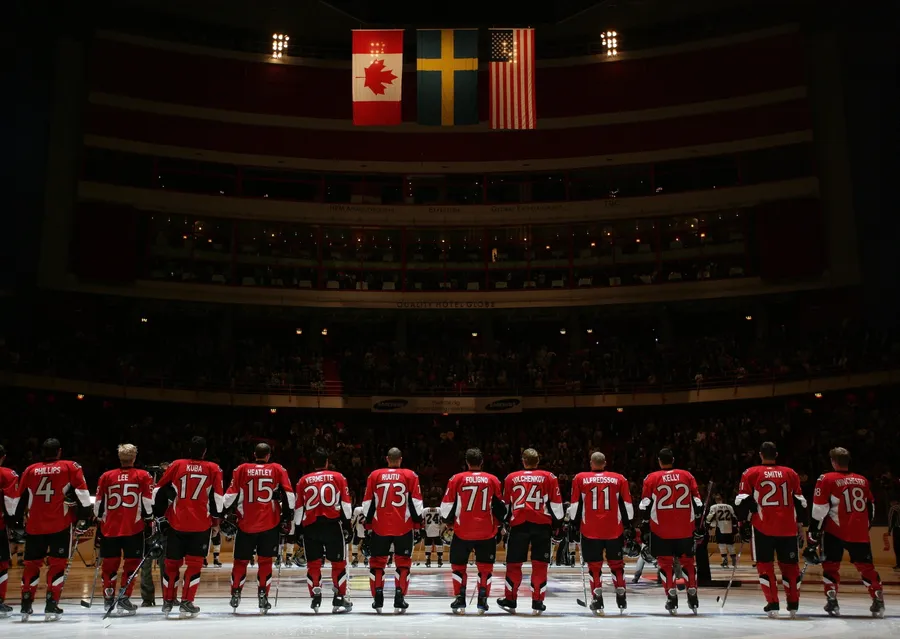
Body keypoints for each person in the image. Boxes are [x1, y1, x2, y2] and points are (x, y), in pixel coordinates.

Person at [8, 437, 92, 621]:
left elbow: (19, 498)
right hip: (60, 525)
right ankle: (51, 605)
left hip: (34, 526)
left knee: (31, 565)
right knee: (57, 564)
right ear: (59, 451)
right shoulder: (70, 466)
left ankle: (26, 604)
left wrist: (15, 522)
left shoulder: (30, 469)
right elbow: (83, 493)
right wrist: (85, 516)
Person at [808, 447, 885, 618]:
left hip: (834, 531)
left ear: (833, 462)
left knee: (830, 566)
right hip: (859, 532)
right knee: (866, 567)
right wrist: (865, 526)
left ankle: (832, 599)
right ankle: (878, 597)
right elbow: (871, 506)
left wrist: (813, 533)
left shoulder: (826, 478)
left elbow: (819, 508)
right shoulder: (862, 480)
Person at [153, 435, 224, 618]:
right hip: (200, 525)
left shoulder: (177, 464)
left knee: (171, 565)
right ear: (205, 451)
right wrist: (216, 521)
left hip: (176, 522)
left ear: (189, 450)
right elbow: (218, 497)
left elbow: (158, 490)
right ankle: (187, 602)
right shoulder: (213, 468)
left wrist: (158, 516)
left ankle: (168, 601)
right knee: (194, 565)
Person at [735, 441, 806, 618]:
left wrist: (742, 523)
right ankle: (793, 604)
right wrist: (801, 525)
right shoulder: (790, 473)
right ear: (776, 455)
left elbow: (742, 500)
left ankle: (773, 603)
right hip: (788, 527)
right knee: (791, 567)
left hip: (762, 527)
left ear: (760, 455)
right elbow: (800, 501)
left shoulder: (750, 473)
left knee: (765, 566)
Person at [224, 442, 294, 614]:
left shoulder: (241, 469)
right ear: (268, 455)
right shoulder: (278, 469)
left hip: (246, 523)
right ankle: (263, 596)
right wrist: (287, 517)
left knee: (240, 562)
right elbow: (289, 495)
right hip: (270, 523)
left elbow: (230, 495)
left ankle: (235, 593)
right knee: (265, 562)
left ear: (254, 454)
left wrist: (222, 513)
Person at [497, 448, 563, 616]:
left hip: (519, 525)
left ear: (523, 461)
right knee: (540, 565)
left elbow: (506, 505)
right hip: (542, 526)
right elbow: (556, 505)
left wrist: (502, 523)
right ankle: (538, 602)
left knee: (513, 564)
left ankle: (510, 599)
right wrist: (558, 526)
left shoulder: (511, 477)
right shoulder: (549, 477)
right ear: (538, 461)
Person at [440, 447, 505, 615]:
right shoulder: (492, 479)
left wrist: (448, 522)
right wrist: (499, 525)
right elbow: (500, 507)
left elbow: (446, 506)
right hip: (486, 531)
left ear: (467, 462)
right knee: (485, 568)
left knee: (458, 566)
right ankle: (482, 599)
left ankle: (460, 598)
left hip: (462, 531)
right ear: (482, 462)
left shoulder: (456, 479)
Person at [639, 447, 703, 615]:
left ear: (659, 461)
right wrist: (698, 522)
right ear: (673, 460)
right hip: (685, 528)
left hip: (661, 528)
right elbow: (698, 503)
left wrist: (644, 524)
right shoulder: (687, 475)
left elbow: (645, 504)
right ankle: (692, 590)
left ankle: (671, 594)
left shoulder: (651, 478)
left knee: (665, 563)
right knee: (688, 562)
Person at [569, 451, 633, 614]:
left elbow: (575, 505)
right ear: (605, 463)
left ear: (591, 463)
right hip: (614, 529)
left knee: (594, 566)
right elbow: (627, 506)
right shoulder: (619, 478)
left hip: (590, 529)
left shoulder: (580, 478)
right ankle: (621, 592)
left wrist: (573, 524)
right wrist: (629, 525)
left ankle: (597, 597)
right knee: (617, 565)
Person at [361, 447, 423, 614]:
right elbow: (416, 503)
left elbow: (367, 503)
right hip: (403, 526)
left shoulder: (374, 475)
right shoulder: (411, 475)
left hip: (380, 526)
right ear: (400, 459)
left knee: (377, 563)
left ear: (387, 459)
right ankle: (399, 597)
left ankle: (378, 597)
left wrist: (368, 525)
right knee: (403, 563)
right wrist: (418, 525)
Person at [94, 444, 154, 615]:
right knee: (131, 564)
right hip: (133, 527)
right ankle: (124, 598)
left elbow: (98, 504)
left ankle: (108, 598)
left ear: (119, 458)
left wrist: (99, 520)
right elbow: (147, 502)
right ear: (134, 458)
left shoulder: (106, 476)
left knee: (109, 565)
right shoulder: (143, 475)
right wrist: (149, 520)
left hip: (110, 528)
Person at [295, 447, 353, 614]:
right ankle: (339, 597)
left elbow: (299, 508)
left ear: (313, 462)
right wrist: (347, 525)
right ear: (327, 462)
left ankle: (315, 596)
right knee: (338, 563)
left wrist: (297, 528)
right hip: (333, 525)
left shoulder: (303, 480)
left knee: (313, 564)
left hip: (311, 526)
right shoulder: (338, 477)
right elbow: (346, 504)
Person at [140, 461, 168, 607]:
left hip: (165, 529)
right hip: (148, 529)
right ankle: (147, 597)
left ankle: (168, 596)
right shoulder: (148, 486)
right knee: (145, 565)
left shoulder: (171, 488)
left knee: (166, 565)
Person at [0, 444, 19, 617]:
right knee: (2, 563)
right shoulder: (8, 474)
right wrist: (13, 521)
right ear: (3, 457)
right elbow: (11, 502)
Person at [706, 494, 738, 568]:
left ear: (716, 500)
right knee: (730, 544)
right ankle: (734, 561)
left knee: (721, 545)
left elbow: (710, 516)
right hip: (729, 527)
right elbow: (734, 517)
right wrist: (735, 527)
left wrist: (707, 523)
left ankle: (725, 561)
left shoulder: (714, 507)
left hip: (720, 527)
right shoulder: (729, 506)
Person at [422, 502, 444, 567]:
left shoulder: (425, 510)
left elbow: (422, 520)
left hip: (428, 531)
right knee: (439, 546)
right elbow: (442, 520)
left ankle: (428, 560)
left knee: (428, 546)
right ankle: (439, 560)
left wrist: (422, 529)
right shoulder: (439, 510)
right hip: (436, 531)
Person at [350, 503, 368, 567]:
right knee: (367, 546)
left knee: (355, 544)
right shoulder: (369, 508)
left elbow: (353, 520)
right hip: (367, 531)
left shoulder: (357, 509)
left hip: (358, 531)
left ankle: (355, 559)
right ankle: (367, 558)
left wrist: (351, 529)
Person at [888, 497, 900, 571]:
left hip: (898, 529)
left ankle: (899, 564)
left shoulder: (894, 508)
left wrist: (889, 530)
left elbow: (891, 519)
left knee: (897, 547)